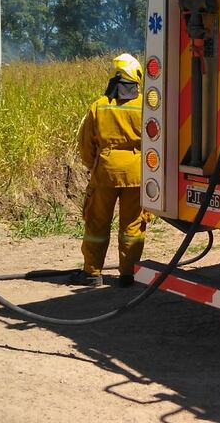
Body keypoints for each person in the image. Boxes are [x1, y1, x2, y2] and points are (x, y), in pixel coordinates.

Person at [73, 53, 150, 288]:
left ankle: (92, 273)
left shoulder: (99, 106)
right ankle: (128, 274)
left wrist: (94, 165)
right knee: (133, 226)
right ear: (136, 77)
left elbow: (86, 144)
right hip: (137, 174)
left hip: (105, 174)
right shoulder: (146, 106)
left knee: (96, 224)